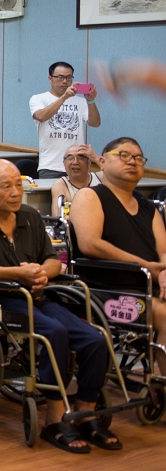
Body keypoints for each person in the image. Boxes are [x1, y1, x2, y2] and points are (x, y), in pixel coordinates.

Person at [0, 159, 117, 453]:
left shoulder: (29, 215)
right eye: (7, 186)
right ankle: (54, 421)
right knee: (55, 333)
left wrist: (44, 273)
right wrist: (17, 274)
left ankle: (86, 413)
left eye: (19, 184)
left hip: (36, 296)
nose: (16, 192)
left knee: (94, 338)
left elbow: (52, 260)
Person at [70, 137, 166, 374]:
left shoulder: (149, 207)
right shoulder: (89, 196)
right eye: (123, 155)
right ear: (102, 162)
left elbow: (164, 251)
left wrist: (163, 272)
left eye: (138, 158)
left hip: (149, 285)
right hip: (107, 291)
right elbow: (91, 244)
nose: (132, 161)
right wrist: (148, 267)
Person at [30, 61, 100, 178]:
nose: (65, 81)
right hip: (51, 165)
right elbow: (41, 116)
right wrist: (65, 97)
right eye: (60, 77)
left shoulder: (80, 102)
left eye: (68, 77)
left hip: (77, 164)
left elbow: (95, 123)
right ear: (50, 78)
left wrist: (91, 101)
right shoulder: (38, 99)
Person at [50, 143, 101, 213]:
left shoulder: (100, 178)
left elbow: (115, 173)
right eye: (70, 158)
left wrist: (96, 158)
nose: (75, 162)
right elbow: (58, 216)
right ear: (64, 163)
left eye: (80, 158)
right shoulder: (60, 185)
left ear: (89, 163)